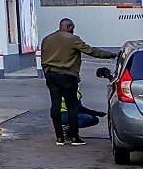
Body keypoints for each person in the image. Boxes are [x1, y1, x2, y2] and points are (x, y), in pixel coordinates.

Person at [41, 18, 116, 146]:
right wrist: (111, 55)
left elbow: (43, 58)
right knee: (71, 107)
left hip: (51, 75)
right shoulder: (73, 39)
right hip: (68, 76)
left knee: (55, 105)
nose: (73, 30)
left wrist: (47, 73)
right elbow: (91, 51)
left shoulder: (47, 39)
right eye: (73, 28)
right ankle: (74, 137)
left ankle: (59, 137)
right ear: (69, 27)